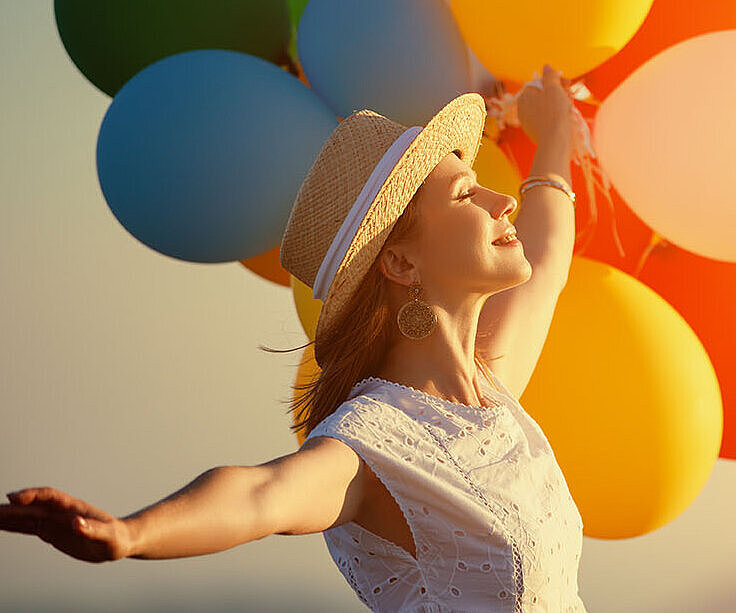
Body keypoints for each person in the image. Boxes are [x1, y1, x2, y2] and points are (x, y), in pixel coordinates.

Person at [1, 64, 587, 612]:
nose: (503, 200)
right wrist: (131, 534)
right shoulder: (379, 440)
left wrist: (555, 129)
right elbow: (262, 493)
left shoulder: (490, 393)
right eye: (465, 194)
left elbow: (549, 250)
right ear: (400, 263)